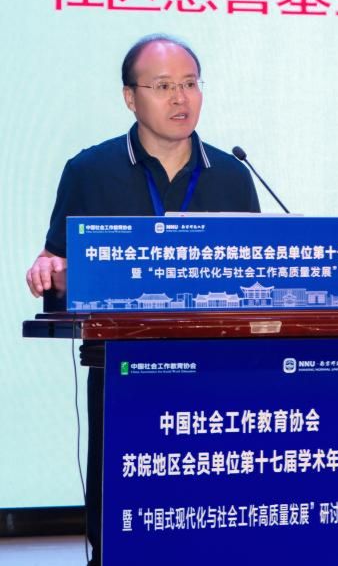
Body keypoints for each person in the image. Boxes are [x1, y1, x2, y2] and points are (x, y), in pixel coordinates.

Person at [25, 34, 260, 565]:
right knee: (126, 516)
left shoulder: (232, 174)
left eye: (190, 84)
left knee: (212, 512)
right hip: (126, 371)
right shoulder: (90, 170)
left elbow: (251, 271)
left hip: (219, 375)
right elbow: (56, 258)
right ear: (130, 97)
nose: (181, 98)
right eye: (163, 86)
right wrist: (48, 270)